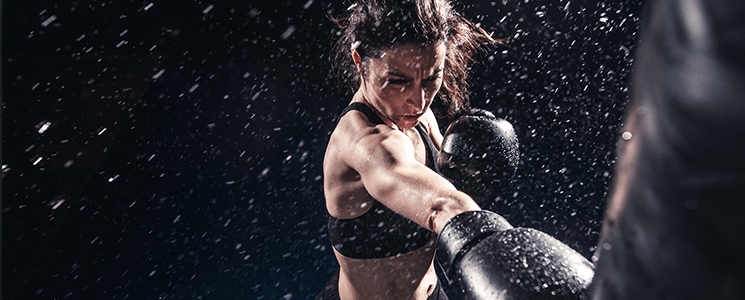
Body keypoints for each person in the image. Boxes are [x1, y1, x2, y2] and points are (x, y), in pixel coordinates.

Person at [317, 0, 495, 299]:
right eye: (398, 81)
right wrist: (500, 248)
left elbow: (446, 192)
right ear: (359, 60)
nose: (419, 100)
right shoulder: (362, 142)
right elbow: (442, 205)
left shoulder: (421, 118)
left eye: (431, 78)